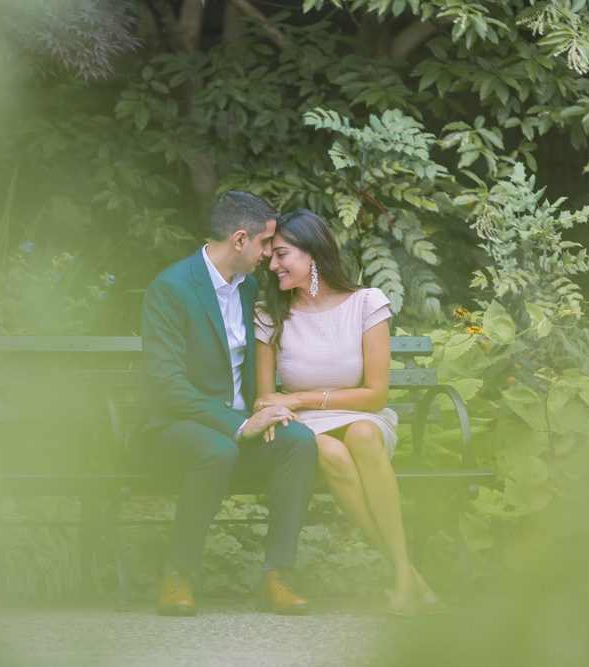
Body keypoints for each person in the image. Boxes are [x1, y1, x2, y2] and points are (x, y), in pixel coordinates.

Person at [253, 209, 447, 617]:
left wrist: (301, 398)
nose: (272, 265)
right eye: (270, 256)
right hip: (308, 429)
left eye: (281, 254)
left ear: (313, 255)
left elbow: (375, 395)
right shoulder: (270, 313)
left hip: (361, 417)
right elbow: (267, 399)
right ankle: (408, 576)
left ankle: (404, 578)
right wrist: (287, 407)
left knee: (360, 434)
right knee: (333, 453)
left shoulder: (365, 303)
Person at [140, 191, 319, 616]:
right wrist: (238, 426)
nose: (269, 257)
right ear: (240, 240)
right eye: (264, 245)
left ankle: (276, 576)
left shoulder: (251, 287)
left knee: (300, 441)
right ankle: (177, 575)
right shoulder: (171, 288)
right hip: (175, 432)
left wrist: (269, 408)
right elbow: (167, 385)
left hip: (240, 428)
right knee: (217, 449)